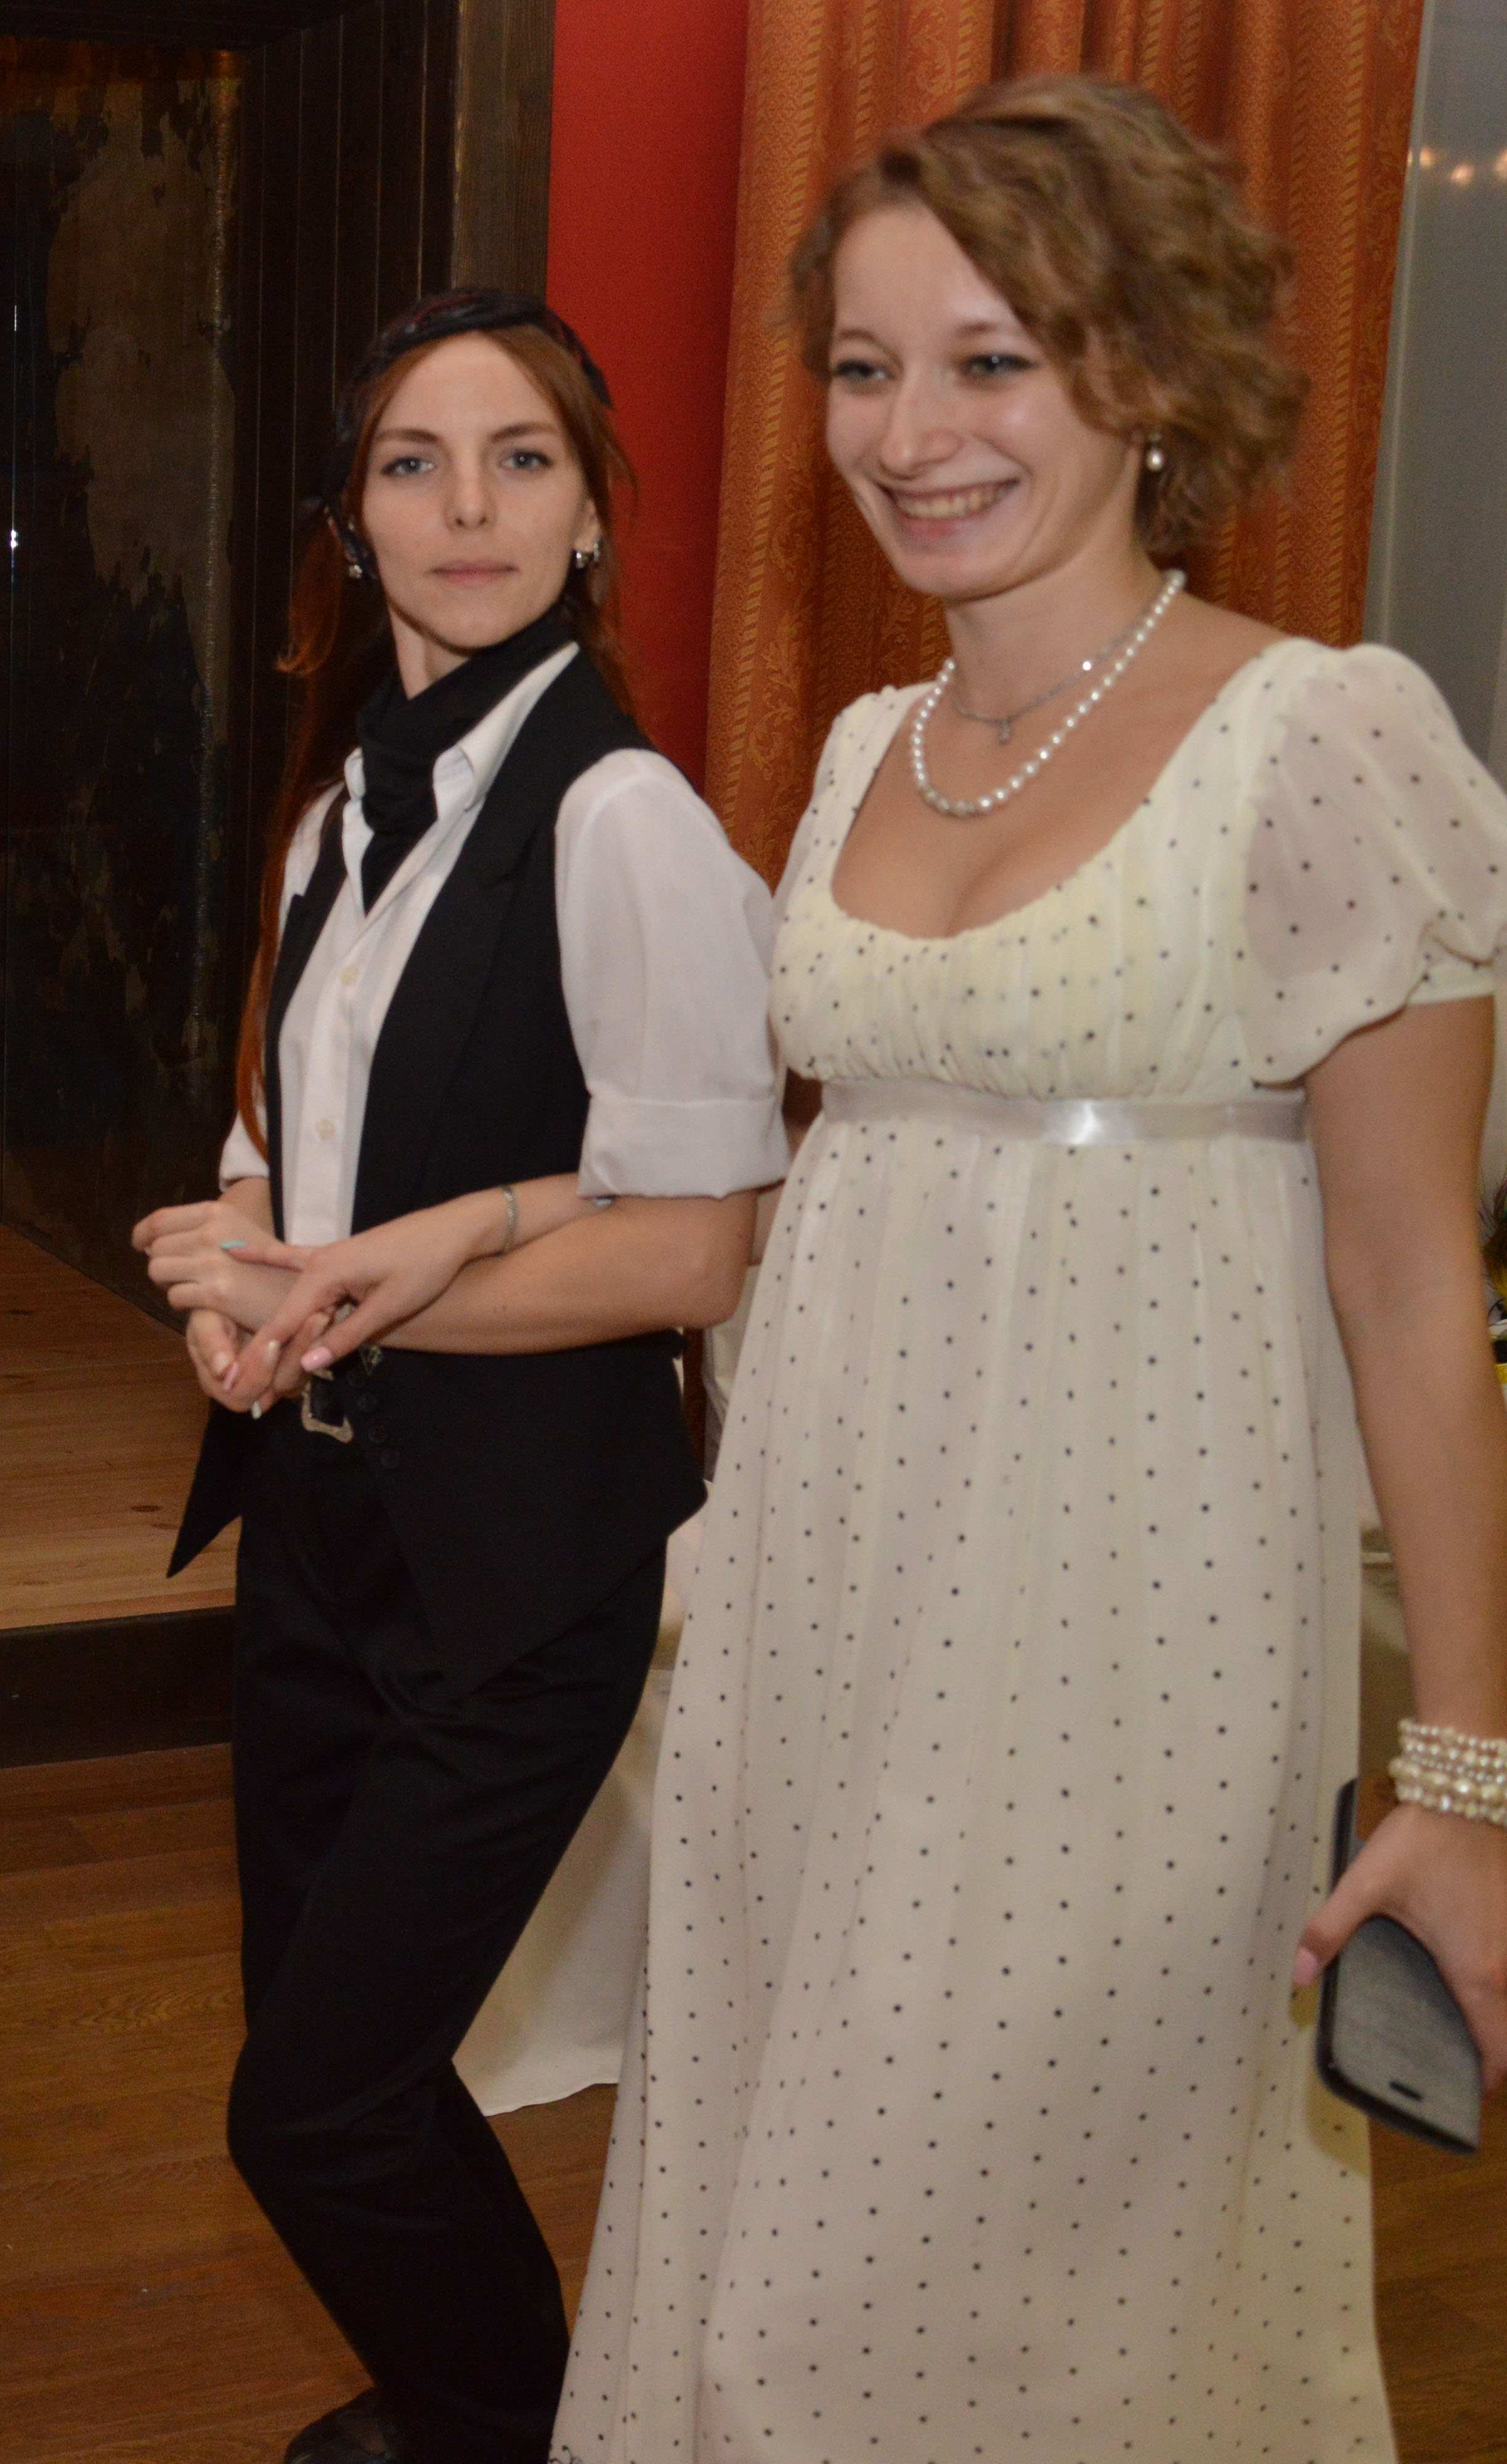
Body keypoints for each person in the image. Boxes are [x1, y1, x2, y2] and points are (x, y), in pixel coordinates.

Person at [551, 79, 1507, 2464]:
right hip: (816, 1626)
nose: (909, 434)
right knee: (765, 2227)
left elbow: (1412, 1288)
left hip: (1122, 1666)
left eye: (989, 360)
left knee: (956, 2302)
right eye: (863, 366)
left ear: (1145, 369)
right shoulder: (864, 746)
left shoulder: (1319, 736)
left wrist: (1464, 1782)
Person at [131, 288, 787, 2464]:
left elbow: (689, 1250)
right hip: (318, 1529)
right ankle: (472, 2406)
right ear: (354, 520)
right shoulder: (335, 813)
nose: (467, 507)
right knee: (342, 2065)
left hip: (518, 1570)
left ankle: (503, 2424)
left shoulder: (625, 820)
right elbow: (275, 1151)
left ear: (590, 512)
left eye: (521, 460)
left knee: (309, 2111)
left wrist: (329, 1293)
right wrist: (234, 1287)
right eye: (413, 465)